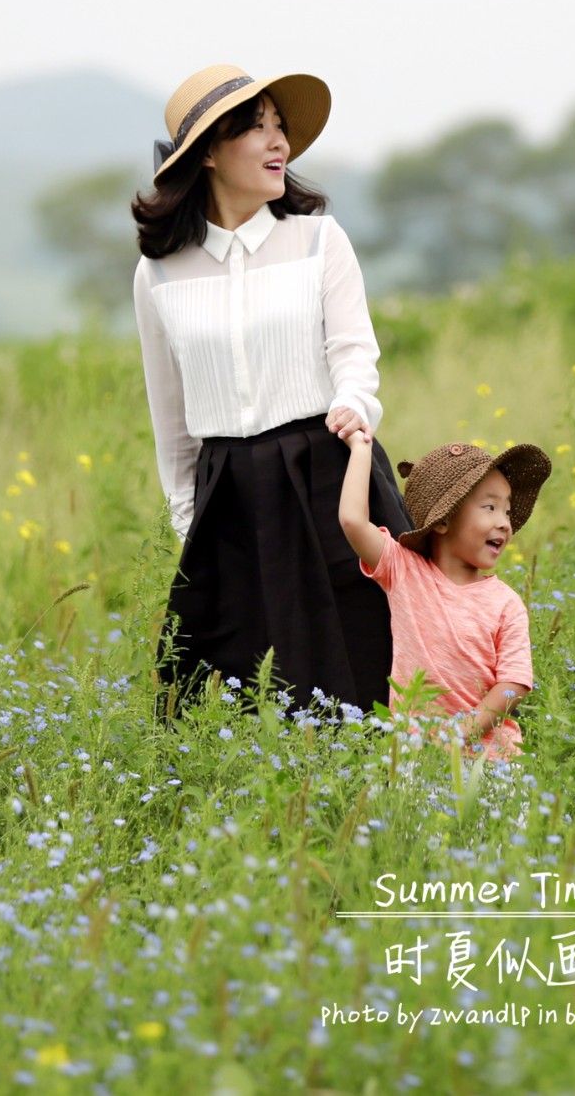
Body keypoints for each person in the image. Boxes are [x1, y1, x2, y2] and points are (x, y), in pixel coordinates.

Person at [131, 64, 416, 720]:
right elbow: (171, 422)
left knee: (367, 667)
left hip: (327, 473)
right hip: (225, 496)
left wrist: (352, 405)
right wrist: (189, 524)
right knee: (220, 697)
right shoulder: (158, 275)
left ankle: (384, 805)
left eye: (279, 126)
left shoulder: (318, 240)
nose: (277, 141)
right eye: (255, 129)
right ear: (207, 152)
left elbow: (354, 354)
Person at [335, 431, 552, 761]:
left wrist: (459, 734)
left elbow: (514, 685)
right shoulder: (404, 572)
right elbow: (352, 520)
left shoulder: (506, 604)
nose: (504, 524)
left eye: (507, 512)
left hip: (490, 762)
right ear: (443, 520)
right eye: (490, 507)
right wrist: (361, 447)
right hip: (417, 758)